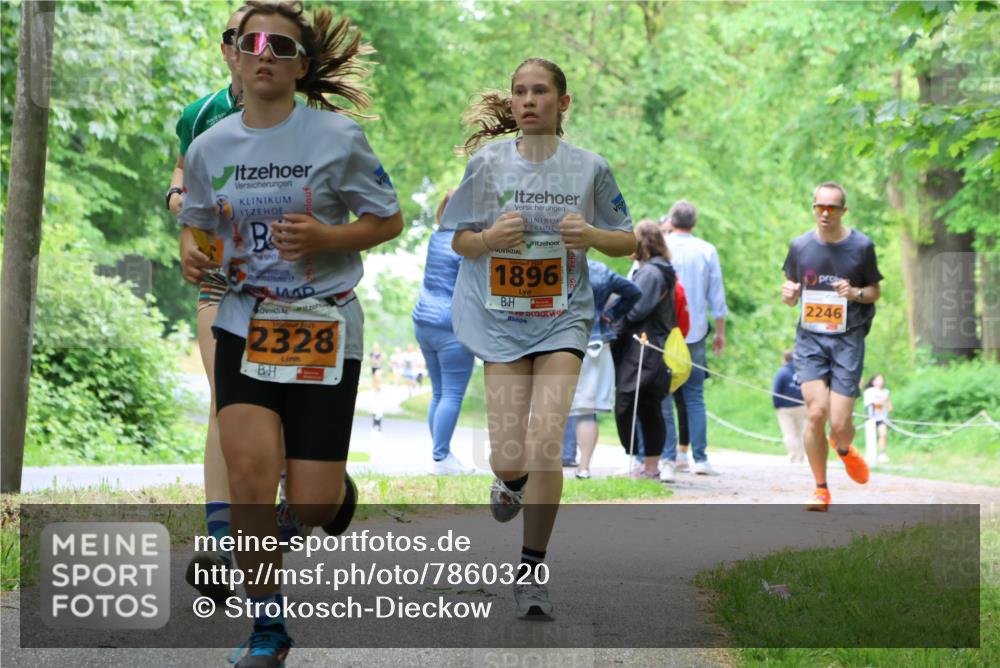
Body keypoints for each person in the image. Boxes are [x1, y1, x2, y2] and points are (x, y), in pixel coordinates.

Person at [178, 2, 403, 664]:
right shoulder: (207, 148)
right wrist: (193, 252)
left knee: (308, 503)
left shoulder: (338, 138)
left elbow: (386, 219)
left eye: (280, 44)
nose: (264, 52)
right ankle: (267, 630)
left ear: (301, 65)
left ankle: (326, 497)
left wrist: (331, 236)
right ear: (235, 57)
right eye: (251, 42)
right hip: (246, 322)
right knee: (249, 477)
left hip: (324, 324)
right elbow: (198, 229)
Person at [441, 57, 635, 619]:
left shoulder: (589, 168)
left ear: (563, 103)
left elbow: (625, 240)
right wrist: (488, 238)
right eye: (520, 92)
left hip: (563, 318)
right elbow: (459, 241)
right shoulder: (487, 165)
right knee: (509, 456)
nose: (528, 101)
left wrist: (593, 235)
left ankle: (531, 570)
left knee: (547, 440)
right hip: (501, 322)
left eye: (541, 91)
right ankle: (510, 481)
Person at [782, 181, 882, 511]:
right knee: (816, 412)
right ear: (813, 208)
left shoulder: (861, 247)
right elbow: (791, 288)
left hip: (848, 339)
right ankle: (820, 489)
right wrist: (789, 294)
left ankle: (843, 448)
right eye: (819, 207)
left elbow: (874, 293)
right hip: (810, 338)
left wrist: (854, 293)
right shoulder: (800, 247)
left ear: (843, 211)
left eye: (832, 208)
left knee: (839, 425)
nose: (825, 213)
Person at [660, 200, 728, 476]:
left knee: (664, 394)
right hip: (695, 332)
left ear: (672, 221)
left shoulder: (662, 247)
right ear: (694, 223)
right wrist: (720, 331)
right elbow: (717, 295)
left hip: (665, 333)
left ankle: (667, 458)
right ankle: (699, 458)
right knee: (695, 397)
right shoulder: (706, 250)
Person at [413, 191, 476, 475]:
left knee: (438, 393)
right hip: (450, 325)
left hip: (424, 322)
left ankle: (441, 454)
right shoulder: (464, 244)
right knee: (451, 393)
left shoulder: (436, 237)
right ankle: (440, 458)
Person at [611, 221, 677, 481]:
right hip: (647, 346)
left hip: (645, 348)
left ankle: (643, 460)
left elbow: (637, 309)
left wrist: (613, 319)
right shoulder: (653, 269)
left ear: (642, 243)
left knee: (631, 402)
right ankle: (647, 465)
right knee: (649, 407)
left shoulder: (652, 273)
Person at [571, 259, 640, 479]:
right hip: (594, 342)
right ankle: (583, 468)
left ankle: (542, 466)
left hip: (556, 339)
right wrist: (610, 314)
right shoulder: (600, 269)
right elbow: (633, 292)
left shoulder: (550, 262)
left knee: (548, 405)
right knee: (585, 410)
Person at [773, 349, 806, 463]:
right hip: (802, 406)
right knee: (801, 432)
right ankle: (801, 456)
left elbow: (776, 390)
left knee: (789, 433)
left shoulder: (782, 372)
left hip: (785, 408)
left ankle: (793, 455)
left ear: (784, 358)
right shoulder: (802, 371)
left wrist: (777, 406)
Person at [863, 373, 893, 463]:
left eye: (882, 379)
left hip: (882, 418)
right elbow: (869, 404)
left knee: (883, 434)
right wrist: (880, 403)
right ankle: (870, 455)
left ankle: (882, 453)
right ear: (873, 382)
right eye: (878, 379)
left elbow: (889, 407)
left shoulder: (886, 392)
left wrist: (887, 402)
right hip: (871, 417)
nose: (881, 381)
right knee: (871, 437)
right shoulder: (869, 392)